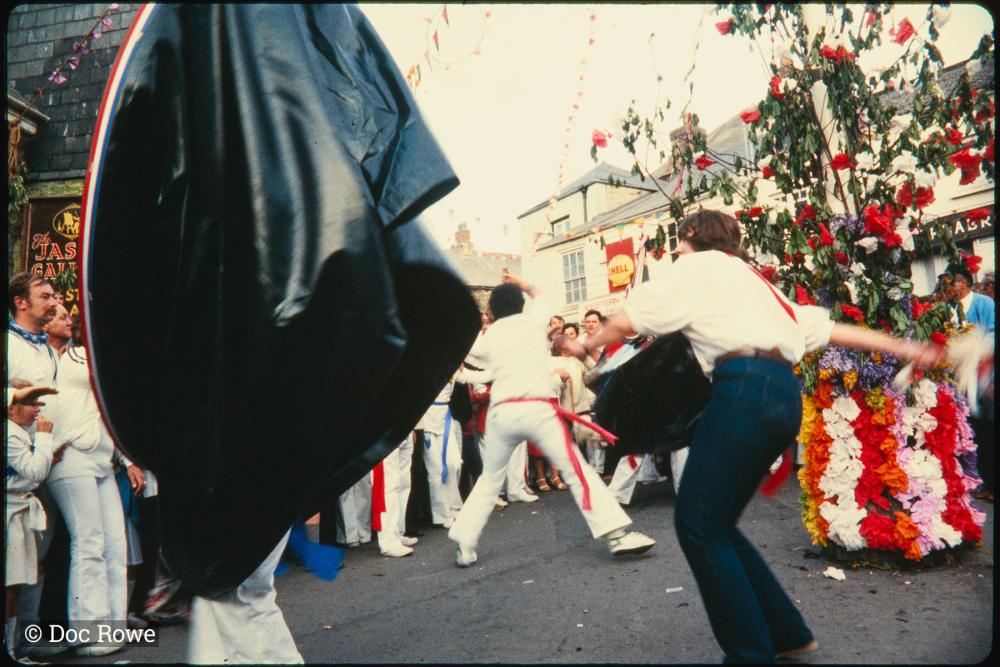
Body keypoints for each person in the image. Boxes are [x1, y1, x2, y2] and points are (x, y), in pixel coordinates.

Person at [559, 209, 944, 663]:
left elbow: (629, 320)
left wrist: (584, 346)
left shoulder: (696, 267)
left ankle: (750, 655)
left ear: (691, 236)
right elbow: (834, 330)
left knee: (697, 526)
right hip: (781, 395)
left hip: (743, 386)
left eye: (680, 241)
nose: (677, 249)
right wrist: (909, 348)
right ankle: (786, 633)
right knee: (715, 523)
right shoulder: (759, 285)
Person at [449, 274, 656, 567]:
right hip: (537, 410)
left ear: (492, 313)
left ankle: (465, 542)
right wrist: (520, 281)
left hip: (502, 413)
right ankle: (616, 535)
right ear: (522, 305)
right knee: (576, 470)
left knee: (490, 480)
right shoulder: (535, 322)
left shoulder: (487, 337)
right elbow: (538, 289)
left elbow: (462, 348)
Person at [44, 304, 141, 657]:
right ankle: (87, 631)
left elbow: (107, 406)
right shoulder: (45, 358)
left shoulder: (85, 356)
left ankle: (113, 625)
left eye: (68, 315)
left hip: (102, 459)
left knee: (116, 544)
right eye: (58, 315)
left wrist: (126, 458)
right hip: (70, 458)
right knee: (89, 543)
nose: (67, 319)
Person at [5, 399, 67, 661]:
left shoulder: (17, 433)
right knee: (11, 584)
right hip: (11, 510)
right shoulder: (9, 434)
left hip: (22, 507)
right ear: (10, 408)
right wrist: (43, 437)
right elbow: (36, 471)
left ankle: (20, 643)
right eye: (30, 403)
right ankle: (10, 651)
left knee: (24, 579)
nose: (37, 409)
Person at [947, 264, 995, 502]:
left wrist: (978, 354)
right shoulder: (948, 308)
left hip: (985, 374)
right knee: (973, 430)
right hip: (961, 377)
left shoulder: (984, 304)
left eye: (951, 282)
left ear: (962, 282)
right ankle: (983, 481)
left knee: (990, 428)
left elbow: (992, 334)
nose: (948, 287)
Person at [374, 434, 419, 557]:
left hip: (404, 428)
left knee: (403, 483)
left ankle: (397, 533)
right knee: (389, 485)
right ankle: (388, 542)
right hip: (386, 428)